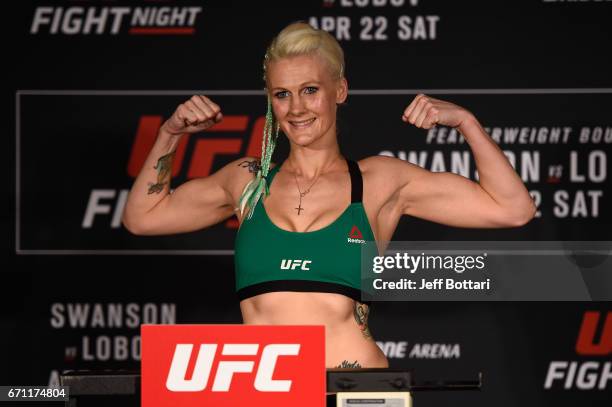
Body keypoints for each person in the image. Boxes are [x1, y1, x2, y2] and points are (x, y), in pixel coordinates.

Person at [122, 22, 536, 369]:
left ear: (339, 91)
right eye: (282, 94)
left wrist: (466, 122)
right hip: (270, 390)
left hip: (359, 389)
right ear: (271, 101)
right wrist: (169, 134)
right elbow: (142, 217)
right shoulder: (247, 180)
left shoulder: (379, 180)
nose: (297, 108)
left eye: (310, 90)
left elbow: (513, 208)